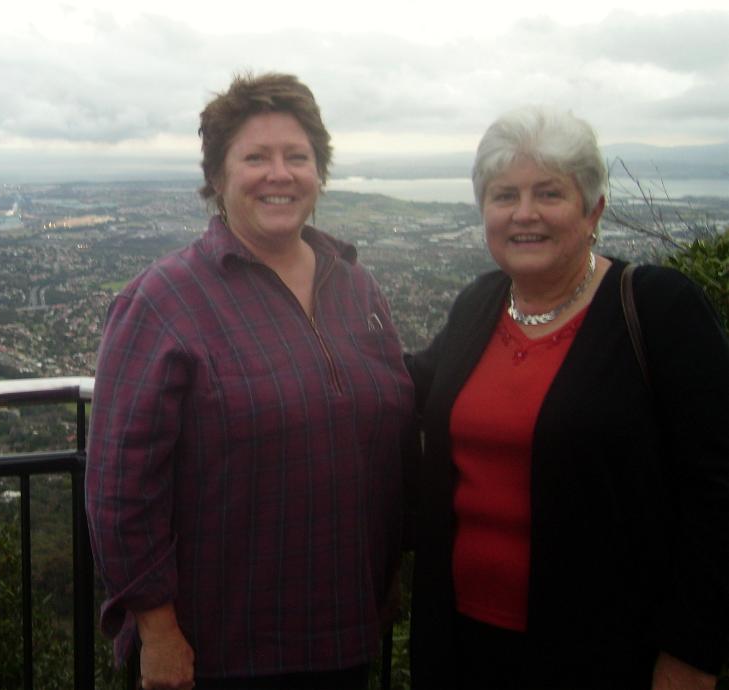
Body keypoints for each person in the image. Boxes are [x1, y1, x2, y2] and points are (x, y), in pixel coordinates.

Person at [85, 72, 414, 690]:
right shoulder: (164, 301)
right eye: (255, 157)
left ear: (320, 173)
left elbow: (390, 433)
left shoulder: (356, 287)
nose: (279, 174)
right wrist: (157, 630)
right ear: (217, 178)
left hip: (345, 633)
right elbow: (118, 489)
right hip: (221, 651)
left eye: (298, 157)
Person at [405, 104, 729, 690]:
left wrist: (691, 655)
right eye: (504, 196)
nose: (524, 214)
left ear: (593, 209)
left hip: (603, 649)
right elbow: (402, 389)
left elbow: (718, 492)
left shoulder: (658, 309)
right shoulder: (480, 303)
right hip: (459, 642)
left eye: (549, 193)